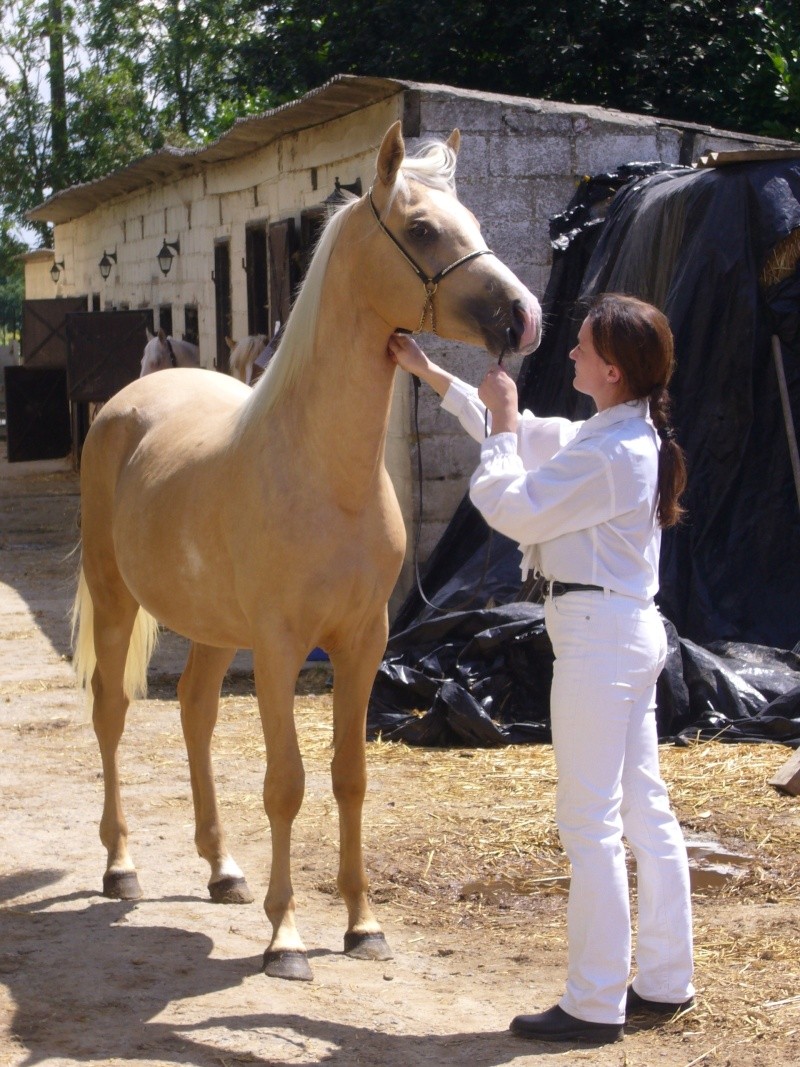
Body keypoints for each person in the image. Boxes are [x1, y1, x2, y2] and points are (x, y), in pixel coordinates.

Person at [387, 293, 695, 1045]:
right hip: (622, 630)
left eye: (583, 348)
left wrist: (497, 422)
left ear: (613, 370)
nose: (570, 354)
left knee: (589, 822)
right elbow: (522, 434)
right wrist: (431, 372)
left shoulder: (612, 453)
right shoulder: (619, 434)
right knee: (641, 809)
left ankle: (594, 1002)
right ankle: (662, 979)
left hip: (599, 639)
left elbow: (509, 501)